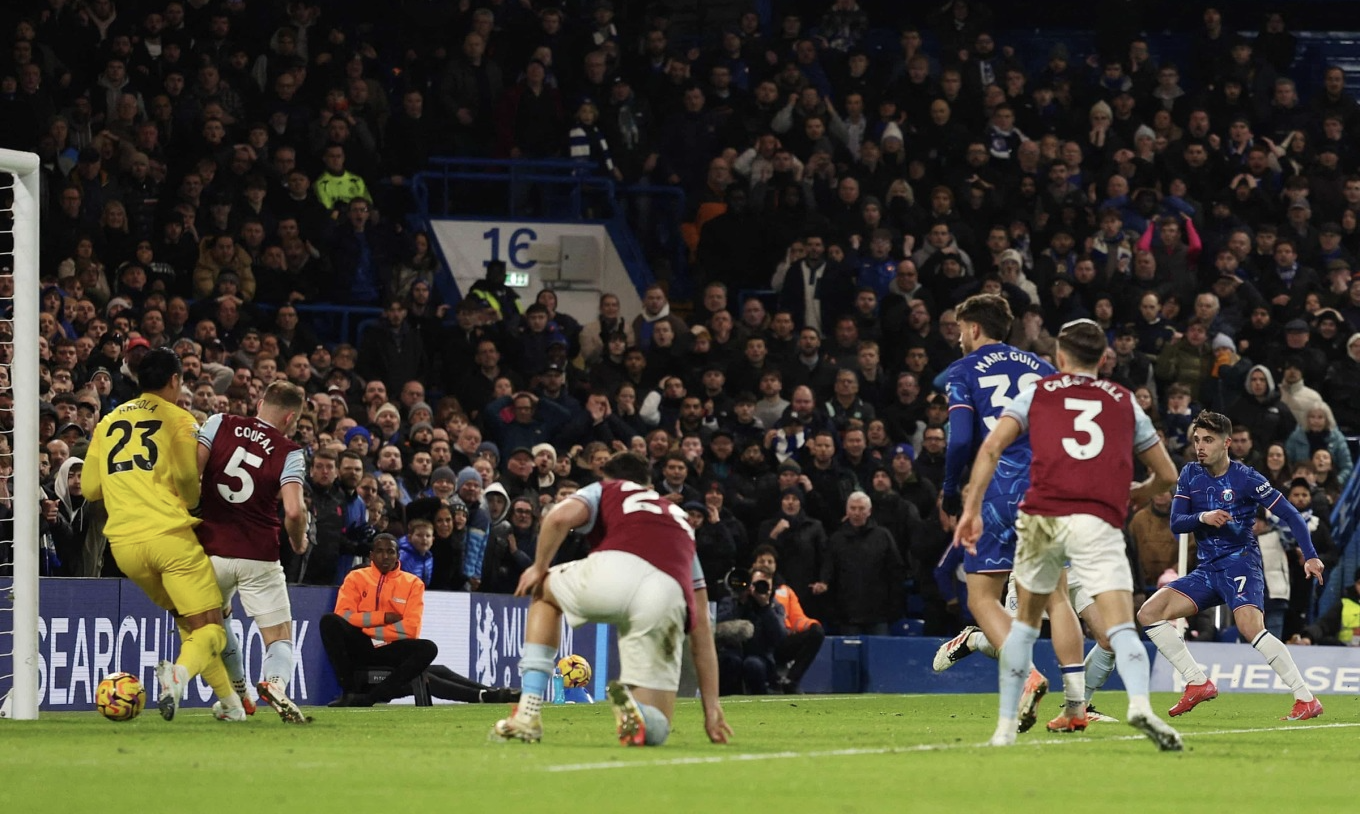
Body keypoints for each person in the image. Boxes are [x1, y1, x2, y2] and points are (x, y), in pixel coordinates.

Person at [956, 319, 1184, 750]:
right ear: (1103, 359)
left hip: (1043, 517)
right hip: (1097, 520)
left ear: (1059, 358)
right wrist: (1139, 493)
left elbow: (991, 447)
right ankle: (1139, 704)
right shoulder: (1124, 401)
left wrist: (972, 508)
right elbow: (1167, 474)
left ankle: (1005, 729)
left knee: (1024, 627)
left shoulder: (1037, 392)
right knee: (1119, 627)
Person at [492, 452, 730, 747]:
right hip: (667, 596)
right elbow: (702, 625)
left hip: (615, 568)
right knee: (654, 729)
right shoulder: (678, 519)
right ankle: (639, 710)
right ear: (650, 486)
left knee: (544, 592)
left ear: (608, 477)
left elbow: (558, 517)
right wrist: (712, 707)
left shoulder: (607, 489)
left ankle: (528, 712)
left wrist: (538, 567)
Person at [935, 293, 1084, 732]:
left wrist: (952, 491)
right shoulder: (1043, 367)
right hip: (1050, 486)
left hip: (1000, 489)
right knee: (1057, 596)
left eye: (961, 329)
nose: (960, 337)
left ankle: (1026, 676)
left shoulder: (962, 371)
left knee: (982, 597)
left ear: (974, 329)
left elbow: (962, 440)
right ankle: (1076, 708)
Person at [81, 347, 244, 721]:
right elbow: (188, 478)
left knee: (191, 624)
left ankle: (232, 706)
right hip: (170, 539)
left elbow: (90, 488)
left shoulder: (108, 422)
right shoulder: (180, 420)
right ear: (175, 380)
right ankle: (178, 675)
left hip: (125, 548)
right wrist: (193, 505)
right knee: (214, 629)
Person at [1136, 410, 1325, 722]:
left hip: (1241, 563)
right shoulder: (1189, 474)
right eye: (1197, 439)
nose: (1200, 446)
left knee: (1251, 628)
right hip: (1207, 570)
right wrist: (1203, 518)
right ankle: (1197, 682)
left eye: (1208, 440)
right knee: (1148, 613)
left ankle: (1305, 698)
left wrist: (1311, 555)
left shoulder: (1246, 478)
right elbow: (1176, 523)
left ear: (1226, 443)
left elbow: (1290, 514)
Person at [196, 379, 310, 723]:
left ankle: (239, 694)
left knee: (220, 617)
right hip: (258, 553)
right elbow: (293, 511)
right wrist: (297, 540)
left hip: (210, 549)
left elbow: (190, 475)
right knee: (278, 634)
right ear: (290, 418)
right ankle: (274, 683)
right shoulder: (289, 451)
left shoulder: (218, 423)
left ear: (261, 403)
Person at [319, 534, 439, 707]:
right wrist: (383, 618)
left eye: (390, 552)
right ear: (371, 555)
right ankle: (349, 692)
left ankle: (371, 698)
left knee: (428, 648)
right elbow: (343, 615)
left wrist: (370, 631)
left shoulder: (413, 583)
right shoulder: (355, 577)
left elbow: (411, 629)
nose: (385, 556)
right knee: (329, 621)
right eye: (380, 551)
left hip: (389, 646)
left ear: (398, 556)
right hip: (360, 644)